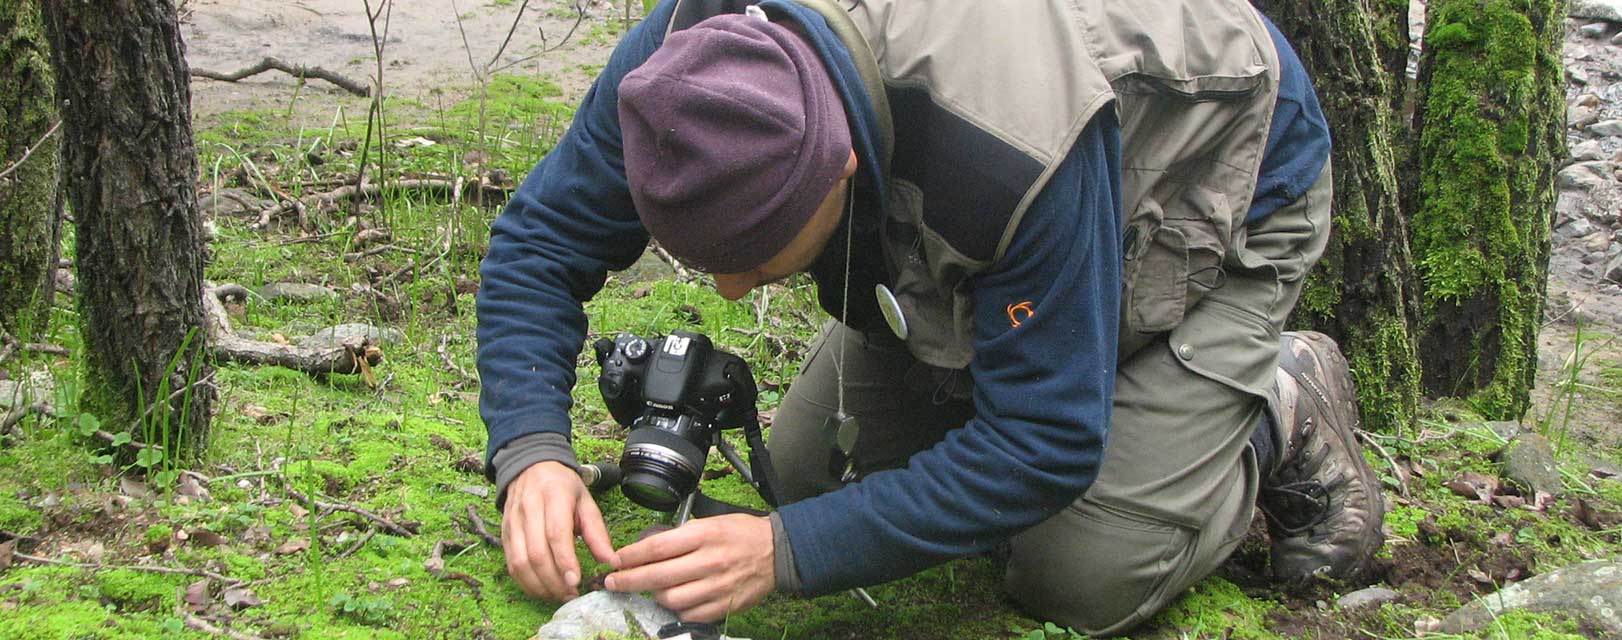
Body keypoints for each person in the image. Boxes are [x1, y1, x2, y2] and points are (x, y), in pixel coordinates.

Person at [476, 0, 1386, 634]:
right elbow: (542, 237)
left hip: (1213, 183)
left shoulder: (1010, 144)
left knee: (1078, 573)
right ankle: (1064, 360)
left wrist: (784, 555)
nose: (732, 292)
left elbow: (1044, 444)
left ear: (836, 172)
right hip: (998, 198)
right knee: (806, 480)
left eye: (756, 258)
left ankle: (1279, 405)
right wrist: (531, 450)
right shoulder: (690, 66)